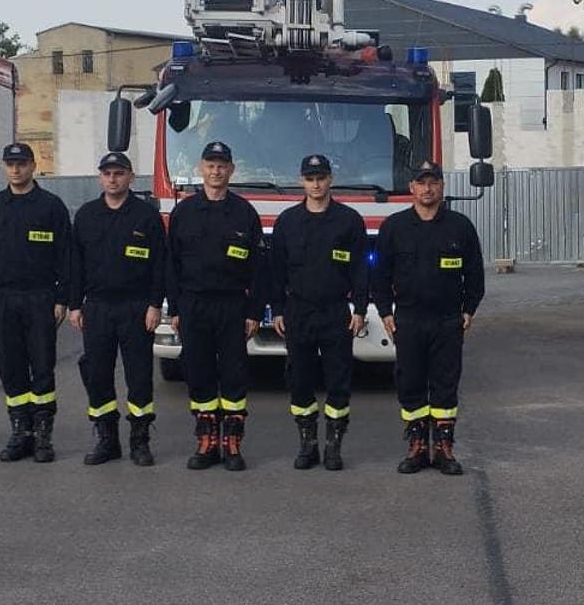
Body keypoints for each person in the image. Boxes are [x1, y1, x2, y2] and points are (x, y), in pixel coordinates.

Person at [371, 159, 485, 475]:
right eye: (421, 183)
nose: (427, 188)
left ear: (442, 187)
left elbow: (475, 275)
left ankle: (444, 448)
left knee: (445, 385)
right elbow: (379, 276)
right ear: (411, 188)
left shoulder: (460, 227)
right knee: (410, 383)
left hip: (448, 321)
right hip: (407, 320)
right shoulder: (394, 227)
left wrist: (468, 311)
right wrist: (384, 312)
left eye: (433, 182)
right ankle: (418, 446)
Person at [262, 154, 369, 471]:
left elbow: (361, 269)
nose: (316, 183)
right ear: (301, 182)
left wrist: (360, 308)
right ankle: (307, 444)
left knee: (339, 380)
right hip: (298, 311)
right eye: (310, 178)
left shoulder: (349, 221)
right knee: (300, 379)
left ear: (330, 180)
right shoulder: (287, 222)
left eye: (321, 177)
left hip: (336, 311)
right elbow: (275, 271)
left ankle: (334, 446)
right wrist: (277, 310)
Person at [166, 141, 265, 471]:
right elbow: (171, 265)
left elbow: (258, 268)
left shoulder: (244, 213)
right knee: (199, 371)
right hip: (194, 304)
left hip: (233, 304)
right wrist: (176, 309)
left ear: (232, 170)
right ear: (201, 168)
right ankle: (207, 440)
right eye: (210, 164)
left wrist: (253, 312)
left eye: (222, 165)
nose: (216, 170)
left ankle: (232, 442)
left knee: (235, 373)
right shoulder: (184, 212)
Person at [67, 151, 167, 467]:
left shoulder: (145, 216)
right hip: (97, 307)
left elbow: (159, 266)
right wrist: (74, 305)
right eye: (108, 173)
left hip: (136, 307)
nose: (113, 178)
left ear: (130, 177)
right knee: (97, 375)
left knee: (138, 376)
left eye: (119, 173)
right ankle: (106, 438)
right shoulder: (86, 215)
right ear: (100, 178)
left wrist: (154, 305)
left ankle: (139, 441)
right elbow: (75, 264)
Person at [0, 143, 71, 464]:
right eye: (10, 164)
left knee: (42, 366)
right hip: (2, 298)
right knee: (11, 366)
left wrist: (61, 299)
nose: (16, 170)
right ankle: (20, 431)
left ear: (33, 166)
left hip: (40, 297)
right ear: (4, 167)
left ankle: (43, 434)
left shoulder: (51, 207)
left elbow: (66, 259)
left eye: (22, 164)